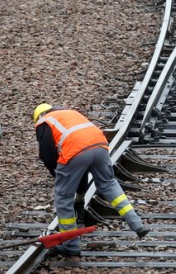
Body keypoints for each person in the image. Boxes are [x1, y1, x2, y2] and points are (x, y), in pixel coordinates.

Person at [34, 103, 149, 256]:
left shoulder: (44, 122)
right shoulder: (70, 113)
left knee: (63, 197)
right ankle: (137, 224)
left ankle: (70, 245)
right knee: (109, 184)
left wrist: (61, 179)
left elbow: (47, 157)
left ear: (39, 116)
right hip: (100, 145)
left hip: (76, 150)